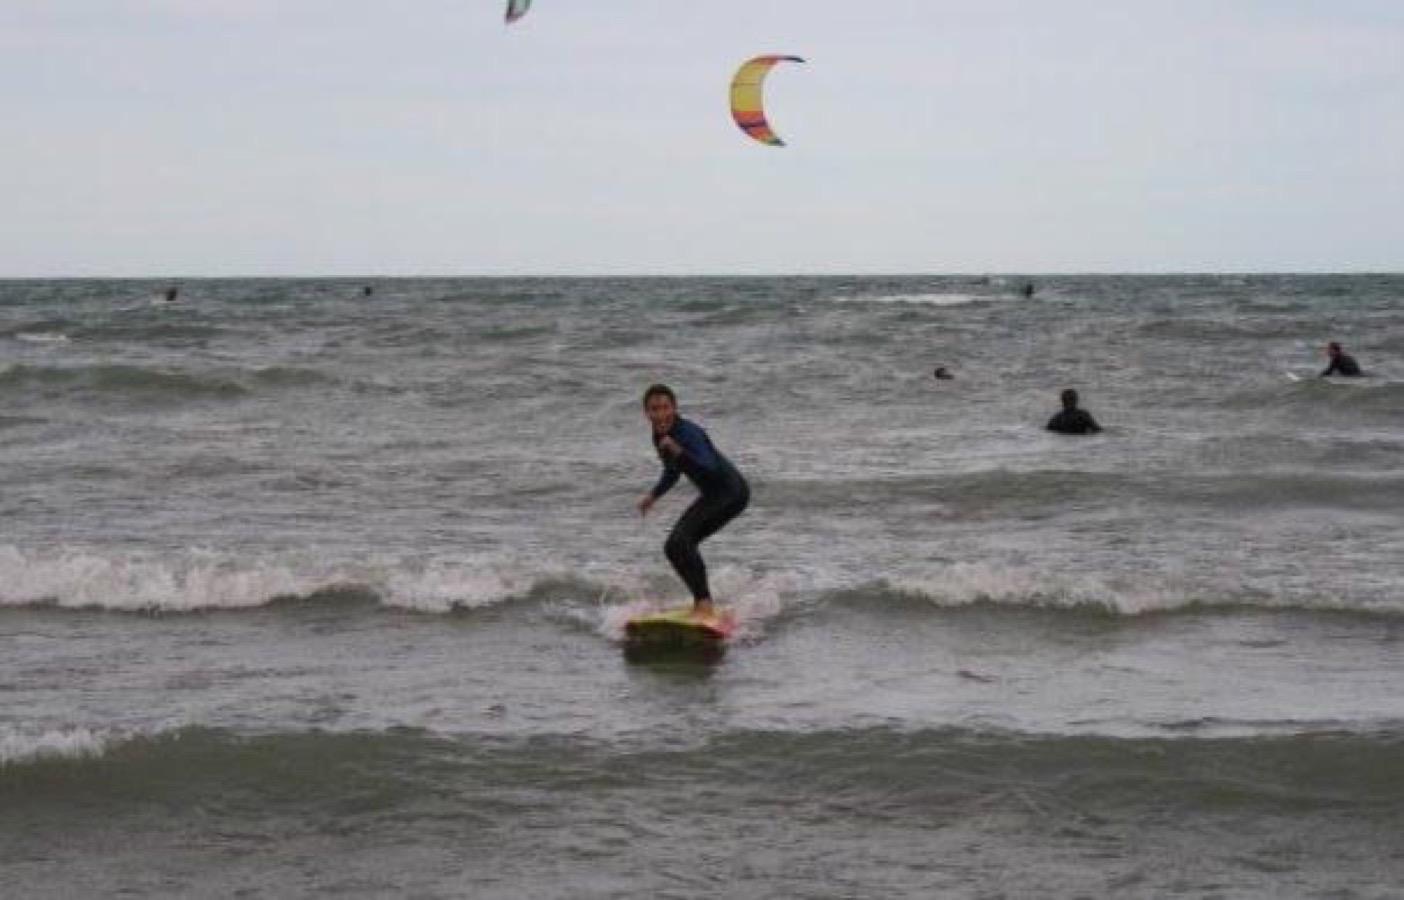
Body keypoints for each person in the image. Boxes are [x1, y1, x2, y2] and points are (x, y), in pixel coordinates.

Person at [636, 384, 750, 616]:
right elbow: (672, 471)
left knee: (681, 542)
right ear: (646, 413)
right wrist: (653, 495)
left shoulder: (689, 433)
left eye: (665, 408)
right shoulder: (659, 435)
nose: (660, 414)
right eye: (654, 409)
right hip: (713, 494)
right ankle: (702, 602)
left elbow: (709, 468)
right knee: (674, 546)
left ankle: (704, 604)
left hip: (731, 492)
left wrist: (679, 451)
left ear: (675, 408)